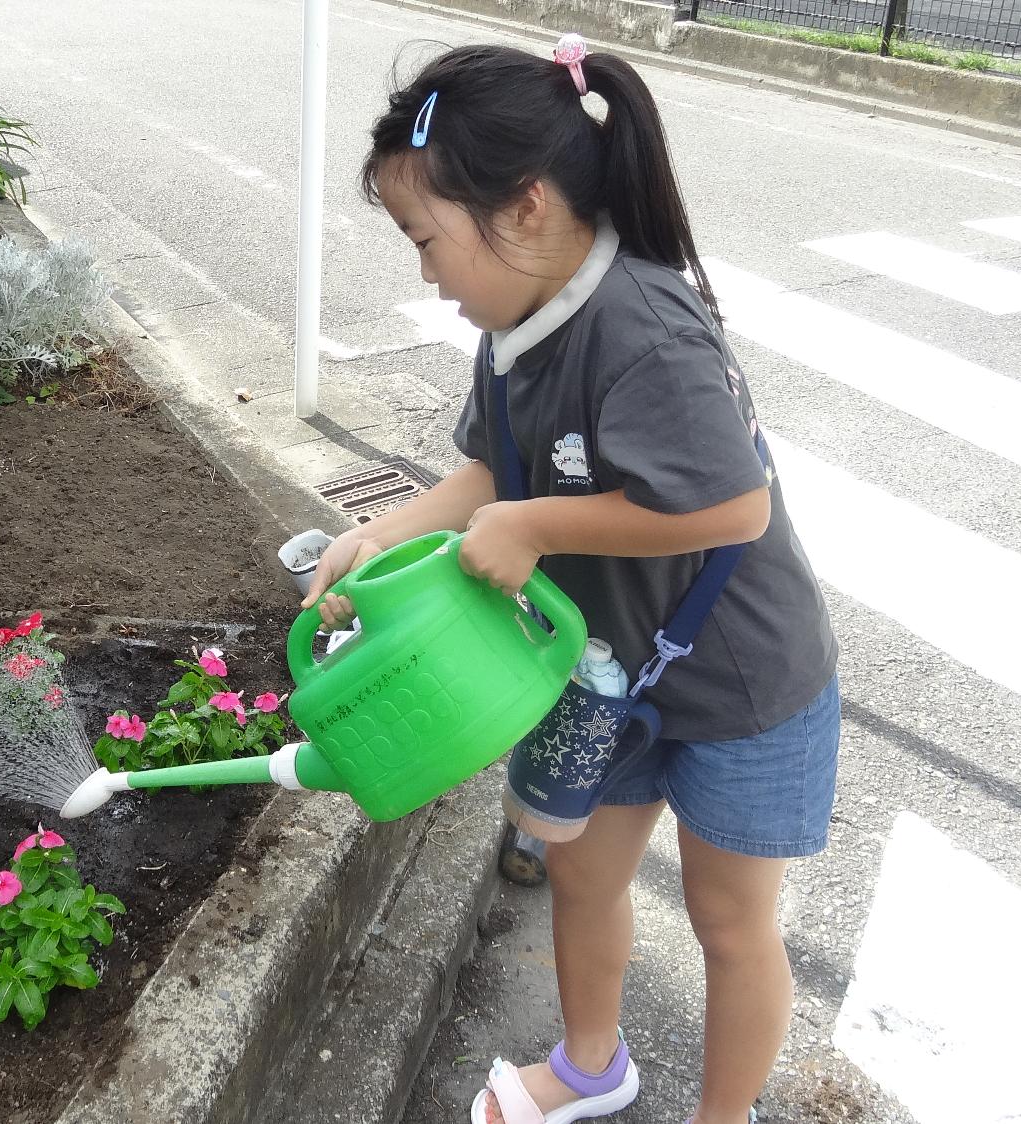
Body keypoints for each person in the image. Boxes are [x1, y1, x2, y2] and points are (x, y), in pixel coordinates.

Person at [299, 35, 841, 1124]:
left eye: (426, 238)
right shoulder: (513, 328)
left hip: (740, 683)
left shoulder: (641, 325)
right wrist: (386, 528)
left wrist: (535, 524)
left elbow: (732, 506)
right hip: (598, 669)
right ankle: (592, 1063)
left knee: (730, 922)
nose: (425, 272)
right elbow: (489, 470)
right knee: (584, 875)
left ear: (526, 206)